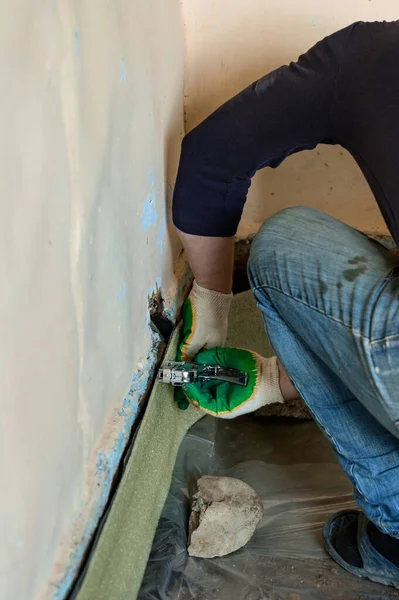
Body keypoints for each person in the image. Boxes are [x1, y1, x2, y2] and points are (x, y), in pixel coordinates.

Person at [171, 21, 399, 589]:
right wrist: (281, 380)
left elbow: (208, 160)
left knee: (284, 240)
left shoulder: (375, 55)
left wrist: (213, 308)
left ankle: (395, 537)